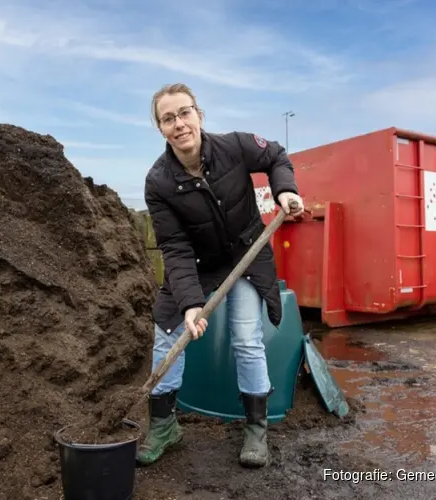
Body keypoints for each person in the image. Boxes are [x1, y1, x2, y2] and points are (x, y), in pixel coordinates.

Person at [138, 83, 304, 469]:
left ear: (199, 114)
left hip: (247, 254)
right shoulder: (159, 181)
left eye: (184, 113)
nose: (179, 124)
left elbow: (277, 156)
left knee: (246, 336)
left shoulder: (234, 146)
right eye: (168, 118)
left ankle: (256, 428)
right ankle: (164, 427)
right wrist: (191, 304)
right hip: (197, 263)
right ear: (160, 128)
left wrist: (285, 190)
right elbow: (175, 248)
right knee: (166, 332)